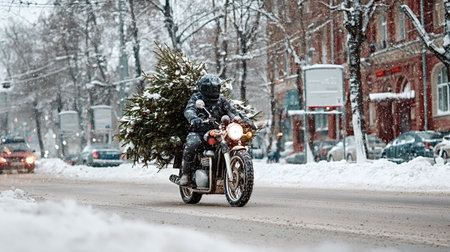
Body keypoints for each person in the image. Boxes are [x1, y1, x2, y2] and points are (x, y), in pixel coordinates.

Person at [176, 74, 255, 186]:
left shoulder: (221, 100)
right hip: (199, 130)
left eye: (214, 88)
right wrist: (194, 118)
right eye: (209, 88)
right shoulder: (196, 98)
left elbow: (232, 111)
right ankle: (186, 174)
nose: (212, 91)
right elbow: (189, 110)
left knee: (233, 141)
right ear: (202, 88)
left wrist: (244, 120)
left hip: (220, 130)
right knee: (192, 143)